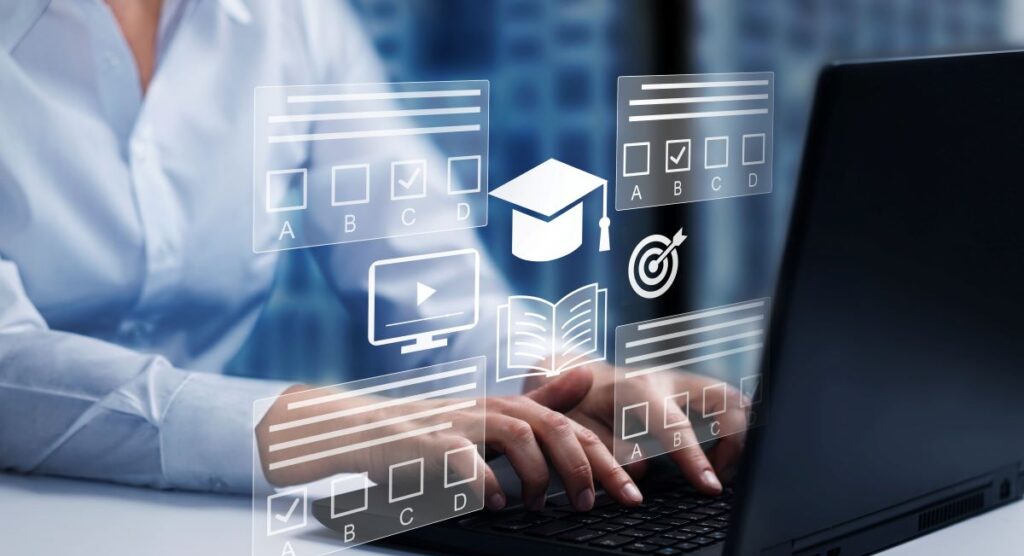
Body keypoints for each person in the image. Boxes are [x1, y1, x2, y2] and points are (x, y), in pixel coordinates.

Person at [0, 0, 740, 512]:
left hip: (186, 526)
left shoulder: (294, 20)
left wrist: (557, 380)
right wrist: (321, 426)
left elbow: (429, 277)